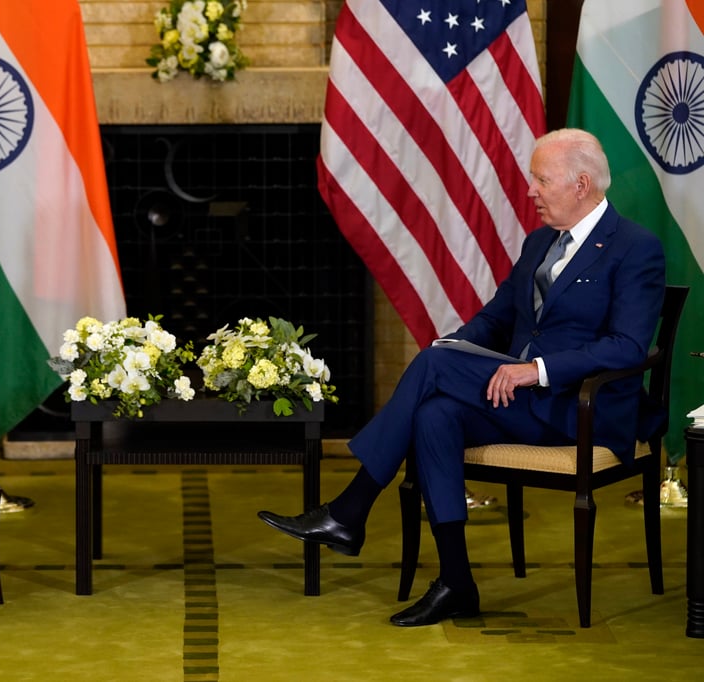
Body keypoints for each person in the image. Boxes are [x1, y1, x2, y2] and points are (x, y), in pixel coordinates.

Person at [258, 128, 667, 626]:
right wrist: (454, 345)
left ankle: (348, 512)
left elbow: (627, 346)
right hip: (521, 403)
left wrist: (535, 370)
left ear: (581, 184)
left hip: (584, 409)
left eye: (541, 180)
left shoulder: (635, 248)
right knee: (435, 414)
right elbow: (496, 318)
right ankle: (456, 581)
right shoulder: (541, 242)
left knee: (433, 368)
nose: (530, 191)